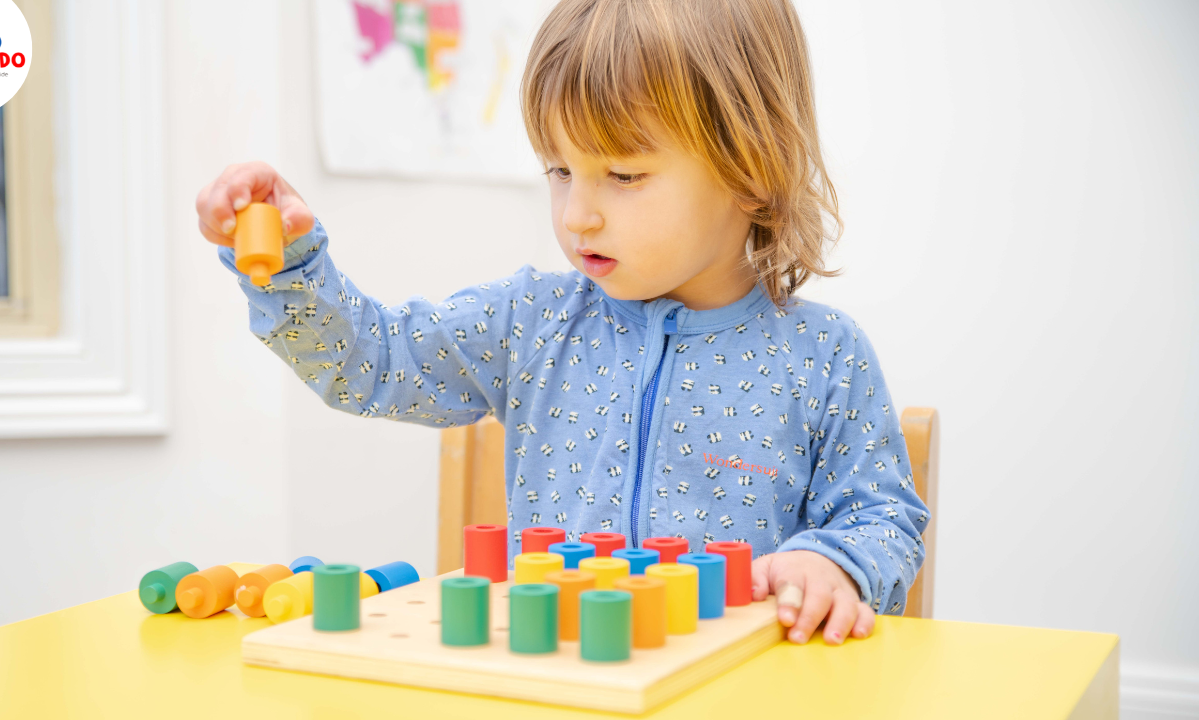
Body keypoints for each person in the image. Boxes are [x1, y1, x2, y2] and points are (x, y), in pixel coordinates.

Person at [195, 0, 929, 646]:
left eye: (624, 175)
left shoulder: (823, 355)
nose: (578, 214)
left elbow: (882, 519)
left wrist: (834, 564)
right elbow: (371, 362)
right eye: (559, 170)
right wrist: (289, 268)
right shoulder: (529, 322)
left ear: (752, 169)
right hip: (556, 689)